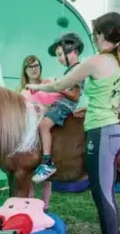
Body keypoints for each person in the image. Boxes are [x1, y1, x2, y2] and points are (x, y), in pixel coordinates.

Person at [26, 12, 120, 234]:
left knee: (103, 196)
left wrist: (35, 87)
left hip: (102, 133)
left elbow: (62, 84)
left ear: (101, 35)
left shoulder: (96, 61)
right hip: (112, 129)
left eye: (95, 33)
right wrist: (94, 107)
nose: (93, 37)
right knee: (104, 194)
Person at [30, 32, 85, 184]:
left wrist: (57, 86)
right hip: (60, 102)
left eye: (60, 54)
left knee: (44, 125)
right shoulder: (70, 71)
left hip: (65, 105)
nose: (59, 59)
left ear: (72, 51)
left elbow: (74, 95)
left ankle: (47, 163)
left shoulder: (78, 70)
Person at [17, 55, 60, 212]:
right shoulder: (22, 92)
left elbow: (56, 103)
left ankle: (46, 207)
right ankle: (31, 206)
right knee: (30, 174)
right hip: (29, 136)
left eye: (36, 65)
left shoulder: (48, 84)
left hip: (48, 132)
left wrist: (43, 109)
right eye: (30, 66)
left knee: (46, 176)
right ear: (25, 71)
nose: (34, 69)